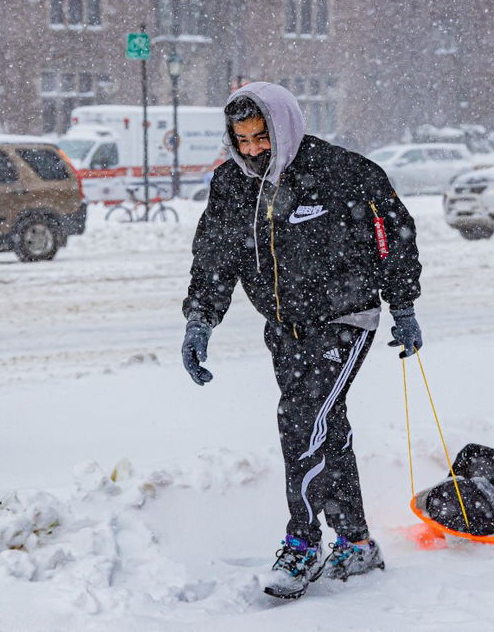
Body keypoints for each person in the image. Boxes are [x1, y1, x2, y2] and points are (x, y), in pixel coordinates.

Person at [180, 82, 423, 600]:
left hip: (346, 318)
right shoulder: (232, 185)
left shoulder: (344, 173)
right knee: (324, 425)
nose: (251, 149)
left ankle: (304, 540)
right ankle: (356, 542)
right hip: (284, 328)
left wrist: (402, 307)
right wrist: (201, 319)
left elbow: (395, 234)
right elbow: (215, 255)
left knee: (301, 418)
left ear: (283, 126)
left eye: (260, 137)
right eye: (241, 139)